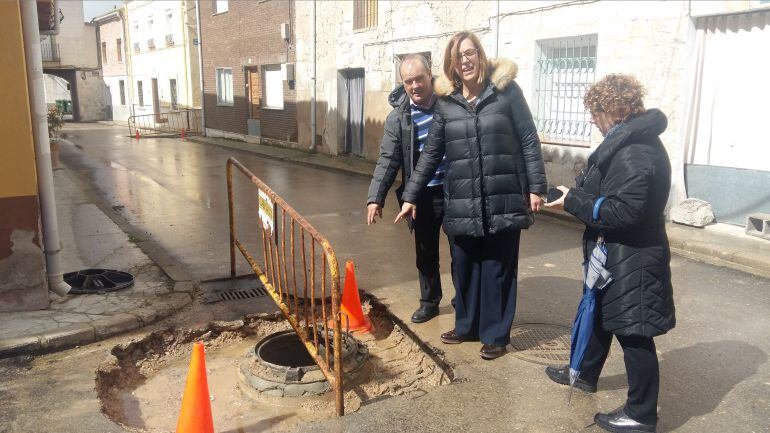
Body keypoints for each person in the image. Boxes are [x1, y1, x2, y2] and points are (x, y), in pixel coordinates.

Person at [396, 31, 546, 360]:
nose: (464, 60)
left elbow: (528, 139)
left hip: (502, 196)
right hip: (462, 200)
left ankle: (494, 334)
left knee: (497, 267)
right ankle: (467, 325)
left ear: (480, 55)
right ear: (451, 65)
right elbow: (431, 154)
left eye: (469, 53)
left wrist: (537, 186)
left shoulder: (506, 93)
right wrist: (410, 196)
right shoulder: (447, 104)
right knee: (465, 265)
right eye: (457, 56)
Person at [544, 74, 676, 432]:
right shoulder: (627, 142)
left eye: (595, 111)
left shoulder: (636, 151)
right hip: (616, 254)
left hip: (634, 258)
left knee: (635, 332)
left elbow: (625, 211)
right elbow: (606, 193)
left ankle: (641, 414)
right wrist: (570, 194)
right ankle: (584, 373)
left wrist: (572, 200)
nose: (591, 118)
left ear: (615, 110)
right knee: (602, 313)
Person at [366, 54, 448, 324]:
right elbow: (388, 159)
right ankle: (429, 301)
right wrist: (375, 198)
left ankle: (465, 300)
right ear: (403, 83)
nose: (414, 86)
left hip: (454, 190)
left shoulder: (448, 105)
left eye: (419, 79)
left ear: (430, 76)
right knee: (425, 252)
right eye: (408, 81)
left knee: (462, 250)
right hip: (420, 196)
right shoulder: (398, 118)